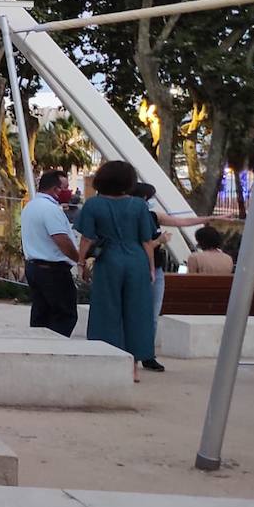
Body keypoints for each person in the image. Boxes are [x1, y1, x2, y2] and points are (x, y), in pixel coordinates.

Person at [74, 161, 158, 378]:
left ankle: (108, 358)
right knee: (137, 311)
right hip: (136, 259)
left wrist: (81, 263)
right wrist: (150, 267)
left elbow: (87, 238)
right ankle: (133, 366)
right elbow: (147, 240)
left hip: (109, 259)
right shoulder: (139, 205)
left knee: (107, 310)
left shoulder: (93, 205)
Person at [131, 182, 213, 326]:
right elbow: (141, 245)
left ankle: (148, 339)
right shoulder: (133, 219)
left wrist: (208, 219)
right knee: (139, 313)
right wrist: (159, 241)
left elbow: (182, 221)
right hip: (140, 268)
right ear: (144, 197)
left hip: (156, 268)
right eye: (151, 197)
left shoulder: (153, 216)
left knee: (153, 315)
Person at [20, 169, 80, 337]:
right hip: (53, 270)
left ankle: (39, 346)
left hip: (34, 268)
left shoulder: (30, 207)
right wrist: (79, 259)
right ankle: (56, 346)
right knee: (64, 315)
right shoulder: (50, 210)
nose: (68, 192)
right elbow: (61, 239)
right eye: (65, 188)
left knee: (41, 314)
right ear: (55, 189)